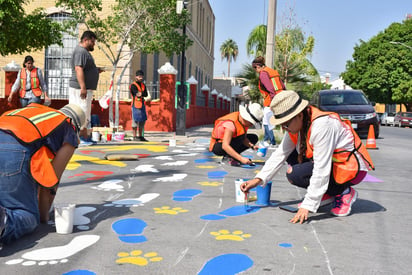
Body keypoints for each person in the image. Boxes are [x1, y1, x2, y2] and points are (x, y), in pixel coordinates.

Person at [241, 91, 375, 223]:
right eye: (281, 124)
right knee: (291, 155)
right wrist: (258, 180)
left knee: (295, 174)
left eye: (286, 124)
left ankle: (344, 192)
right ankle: (325, 193)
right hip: (333, 167)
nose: (284, 128)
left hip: (350, 170)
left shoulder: (323, 125)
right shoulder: (300, 122)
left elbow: (321, 168)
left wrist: (308, 205)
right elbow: (280, 154)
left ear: (298, 115)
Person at [0, 103, 85, 246]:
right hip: (14, 148)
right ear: (77, 127)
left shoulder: (39, 112)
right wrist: (43, 215)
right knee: (27, 214)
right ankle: (4, 222)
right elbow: (50, 182)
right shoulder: (68, 128)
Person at [69, 30, 103, 146]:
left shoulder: (84, 52)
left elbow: (84, 68)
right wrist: (83, 87)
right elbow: (78, 69)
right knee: (82, 113)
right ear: (85, 40)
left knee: (85, 114)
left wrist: (95, 70)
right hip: (80, 89)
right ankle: (81, 138)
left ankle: (84, 136)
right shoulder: (80, 52)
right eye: (92, 42)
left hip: (84, 89)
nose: (94, 44)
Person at [130, 70, 149, 142]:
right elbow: (136, 93)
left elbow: (145, 94)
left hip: (142, 104)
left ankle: (140, 136)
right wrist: (140, 94)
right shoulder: (133, 85)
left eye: (141, 76)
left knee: (142, 120)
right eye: (139, 76)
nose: (140, 78)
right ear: (136, 77)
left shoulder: (143, 85)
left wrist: (140, 94)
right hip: (135, 105)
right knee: (135, 120)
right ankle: (134, 136)